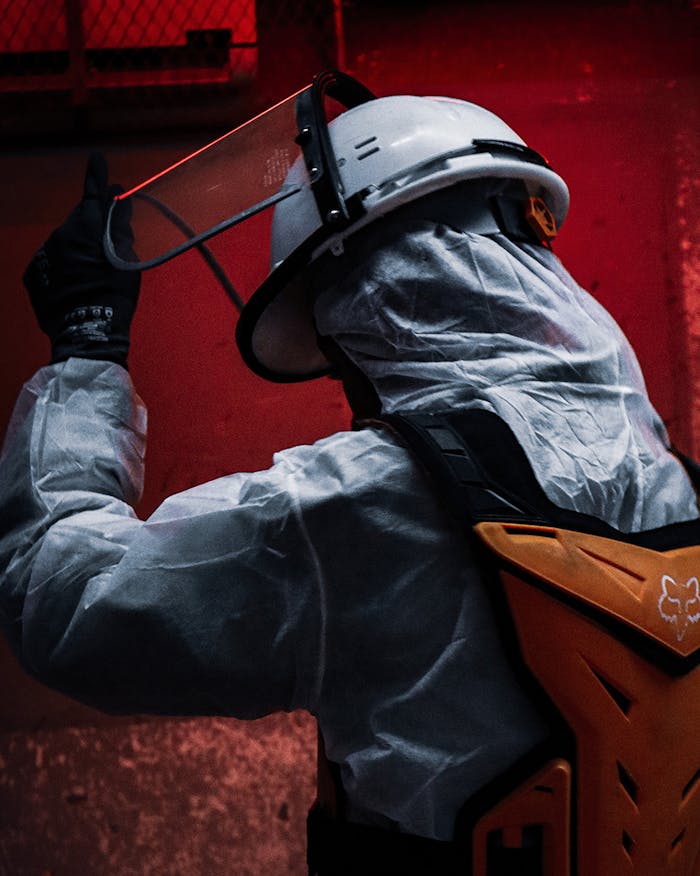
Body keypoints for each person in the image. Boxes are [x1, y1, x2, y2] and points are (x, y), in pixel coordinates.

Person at [1, 73, 699, 874]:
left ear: (362, 287)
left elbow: (62, 599)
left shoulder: (366, 507)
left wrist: (86, 349)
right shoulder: (673, 476)